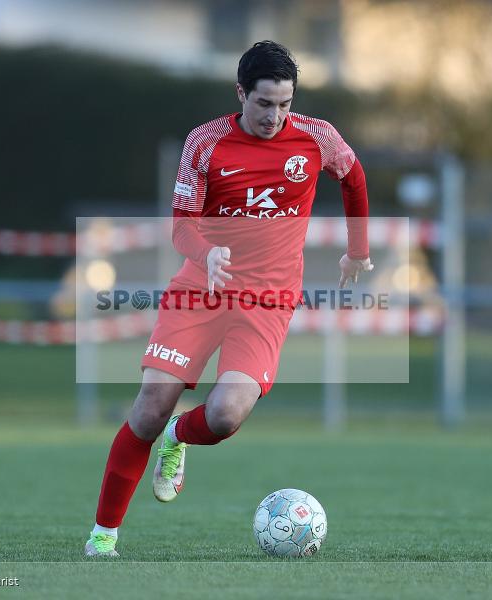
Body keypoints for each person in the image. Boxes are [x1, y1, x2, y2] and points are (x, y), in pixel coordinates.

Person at [85, 40, 372, 557]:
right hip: (200, 290)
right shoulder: (206, 143)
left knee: (224, 416)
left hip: (267, 302)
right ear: (241, 93)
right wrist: (207, 252)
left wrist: (357, 252)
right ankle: (103, 538)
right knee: (148, 409)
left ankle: (178, 436)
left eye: (284, 104)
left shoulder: (316, 138)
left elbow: (353, 177)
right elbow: (182, 227)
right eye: (264, 103)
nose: (274, 116)